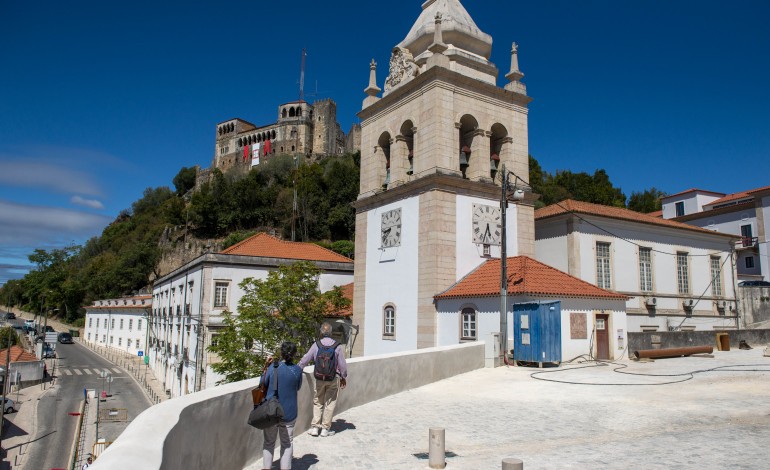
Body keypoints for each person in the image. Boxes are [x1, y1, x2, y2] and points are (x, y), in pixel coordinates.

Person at [299, 322, 348, 437]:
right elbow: (342, 364)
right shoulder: (337, 346)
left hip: (319, 377)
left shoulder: (316, 345)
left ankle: (315, 427)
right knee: (330, 403)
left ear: (321, 332)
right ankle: (325, 429)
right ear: (330, 332)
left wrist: (298, 368)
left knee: (318, 401)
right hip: (332, 378)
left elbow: (306, 358)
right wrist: (343, 377)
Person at [261, 341, 303, 470]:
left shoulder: (273, 368)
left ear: (281, 353)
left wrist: (265, 366)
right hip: (289, 412)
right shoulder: (297, 370)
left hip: (271, 412)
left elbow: (263, 383)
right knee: (286, 443)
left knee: (269, 442)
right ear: (294, 354)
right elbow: (298, 387)